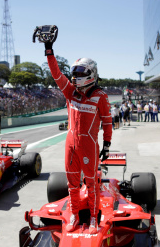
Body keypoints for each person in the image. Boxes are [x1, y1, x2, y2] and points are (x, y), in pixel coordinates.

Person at [44, 40, 112, 234]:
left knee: (91, 183)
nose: (75, 76)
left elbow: (107, 122)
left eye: (80, 72)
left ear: (91, 74)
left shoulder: (101, 96)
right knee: (72, 185)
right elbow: (56, 74)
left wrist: (107, 144)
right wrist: (49, 51)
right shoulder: (70, 92)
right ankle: (74, 215)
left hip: (89, 145)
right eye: (74, 72)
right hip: (70, 145)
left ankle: (93, 218)